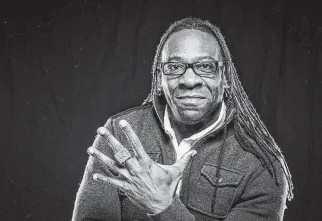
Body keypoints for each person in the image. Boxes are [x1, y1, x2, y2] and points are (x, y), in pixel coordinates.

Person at [72, 17, 293, 221]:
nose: (189, 80)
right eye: (175, 67)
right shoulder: (120, 134)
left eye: (205, 66)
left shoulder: (262, 165)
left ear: (225, 78)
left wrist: (164, 207)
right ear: (159, 78)